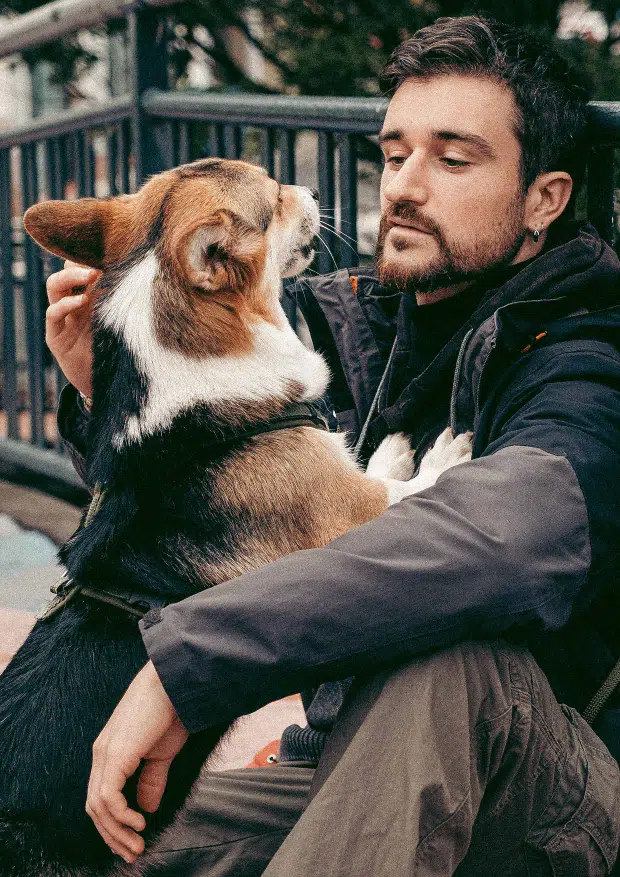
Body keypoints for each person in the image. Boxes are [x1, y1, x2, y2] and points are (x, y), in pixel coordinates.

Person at [46, 15, 620, 876]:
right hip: (341, 757)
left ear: (545, 198)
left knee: (451, 659)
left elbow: (509, 538)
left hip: (546, 790)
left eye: (453, 159)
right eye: (394, 155)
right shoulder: (352, 318)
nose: (405, 187)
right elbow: (206, 510)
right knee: (68, 840)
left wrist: (191, 660)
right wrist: (113, 390)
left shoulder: (587, 353)